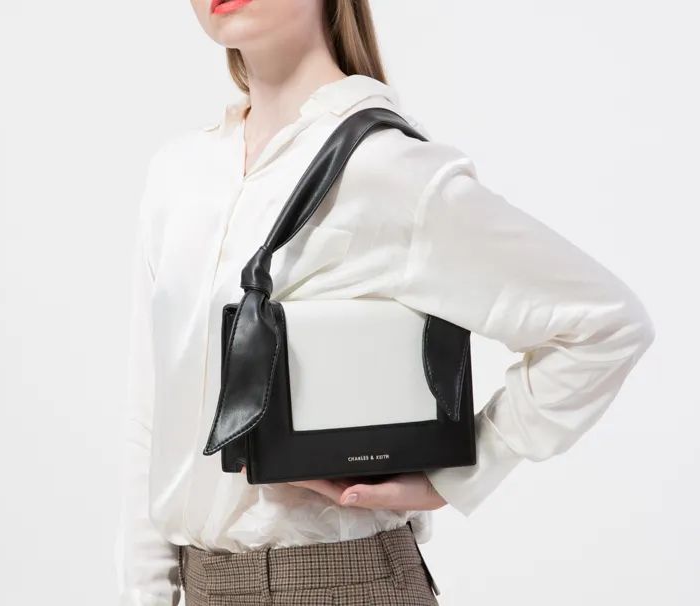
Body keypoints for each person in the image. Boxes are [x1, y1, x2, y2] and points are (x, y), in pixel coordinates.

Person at [114, 1, 656, 604]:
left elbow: (605, 324)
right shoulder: (180, 174)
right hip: (202, 587)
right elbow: (151, 415)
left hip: (342, 583)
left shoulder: (388, 167)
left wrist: (462, 473)